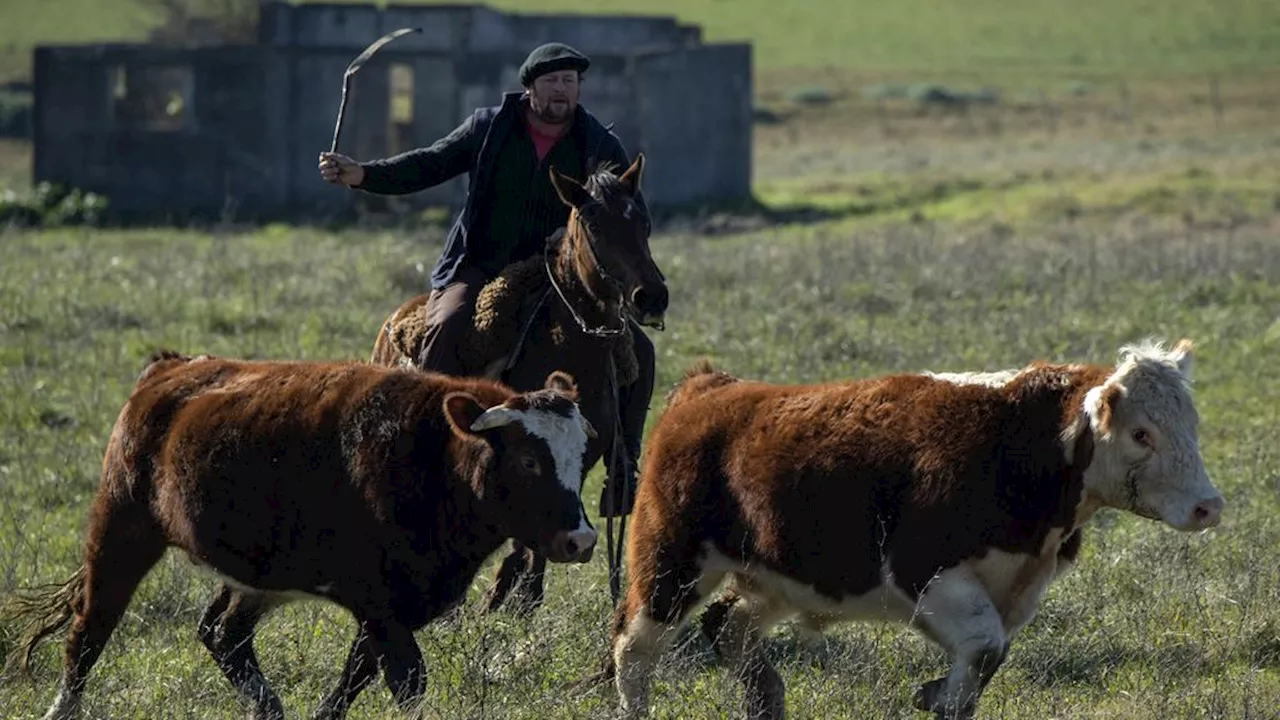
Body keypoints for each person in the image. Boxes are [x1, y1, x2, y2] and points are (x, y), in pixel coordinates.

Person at [317, 42, 654, 517]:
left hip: (555, 273)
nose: (562, 90)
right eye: (552, 80)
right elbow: (429, 163)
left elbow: (624, 214)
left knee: (641, 351)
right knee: (448, 327)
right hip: (479, 262)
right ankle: (420, 449)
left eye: (570, 82)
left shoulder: (599, 145)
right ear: (530, 86)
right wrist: (363, 175)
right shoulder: (489, 127)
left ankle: (625, 466)